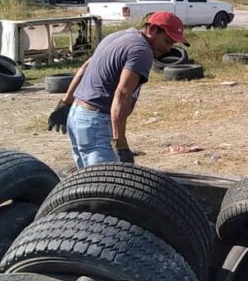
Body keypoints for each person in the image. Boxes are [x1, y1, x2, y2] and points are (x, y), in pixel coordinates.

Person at [47, 11, 189, 167]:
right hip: (95, 122)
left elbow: (86, 67)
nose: (168, 49)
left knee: (88, 183)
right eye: (167, 41)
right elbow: (122, 94)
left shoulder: (118, 36)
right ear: (152, 30)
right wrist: (121, 144)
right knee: (105, 185)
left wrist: (66, 103)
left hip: (77, 115)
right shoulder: (142, 51)